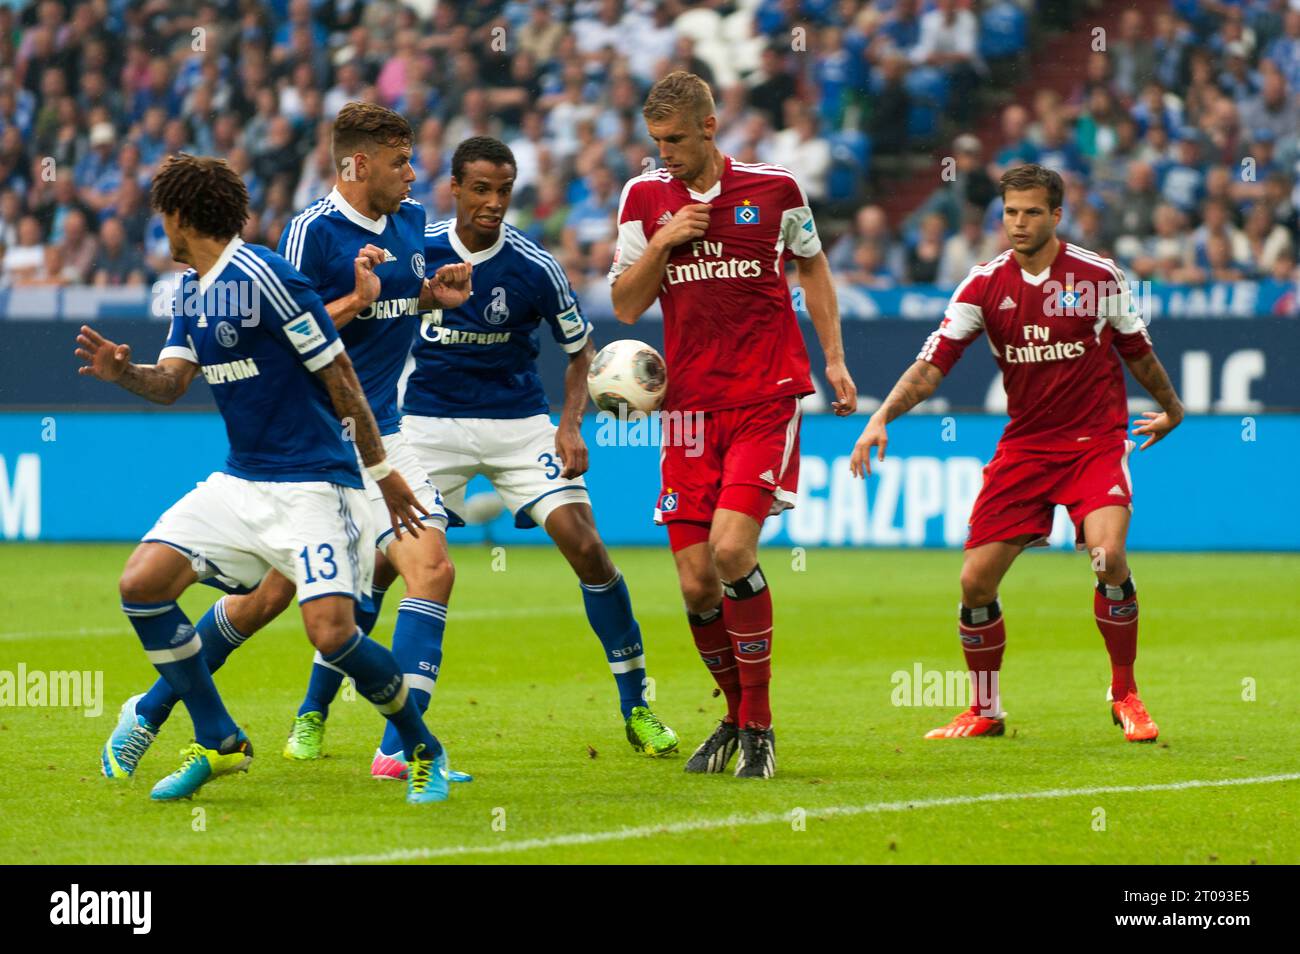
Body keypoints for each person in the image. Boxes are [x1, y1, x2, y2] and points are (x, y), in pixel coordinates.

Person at [98, 104, 474, 783]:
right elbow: (187, 375)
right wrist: (124, 372)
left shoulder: (276, 268)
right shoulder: (213, 282)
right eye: (401, 161)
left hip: (333, 465)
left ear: (180, 218)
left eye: (163, 216)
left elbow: (329, 359)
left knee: (356, 612)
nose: (414, 175)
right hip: (255, 474)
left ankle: (413, 750)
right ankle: (198, 728)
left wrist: (419, 300)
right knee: (187, 592)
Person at [849, 163, 1185, 743]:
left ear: (1056, 215)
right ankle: (985, 709)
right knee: (975, 581)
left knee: (1107, 555)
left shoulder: (1097, 278)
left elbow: (1138, 351)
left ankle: (1125, 694)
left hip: (1092, 444)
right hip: (1026, 447)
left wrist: (1173, 408)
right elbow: (932, 367)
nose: (1019, 222)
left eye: (1032, 212)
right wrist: (880, 415)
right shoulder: (982, 285)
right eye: (1010, 212)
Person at [609, 72, 857, 778]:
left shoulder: (775, 191)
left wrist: (834, 362)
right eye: (657, 143)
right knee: (694, 584)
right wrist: (662, 243)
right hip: (687, 411)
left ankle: (760, 726)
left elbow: (813, 270)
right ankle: (733, 715)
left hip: (762, 398)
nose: (667, 156)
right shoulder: (644, 198)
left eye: (678, 141)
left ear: (710, 127)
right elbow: (626, 306)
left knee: (728, 551)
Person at [402, 135, 679, 758]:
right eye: (481, 189)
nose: (494, 202)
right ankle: (313, 712)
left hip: (519, 425)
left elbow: (580, 349)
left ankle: (637, 706)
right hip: (425, 423)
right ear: (455, 188)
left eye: (504, 190)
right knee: (380, 567)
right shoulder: (416, 254)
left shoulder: (534, 266)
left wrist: (571, 425)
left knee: (587, 547)